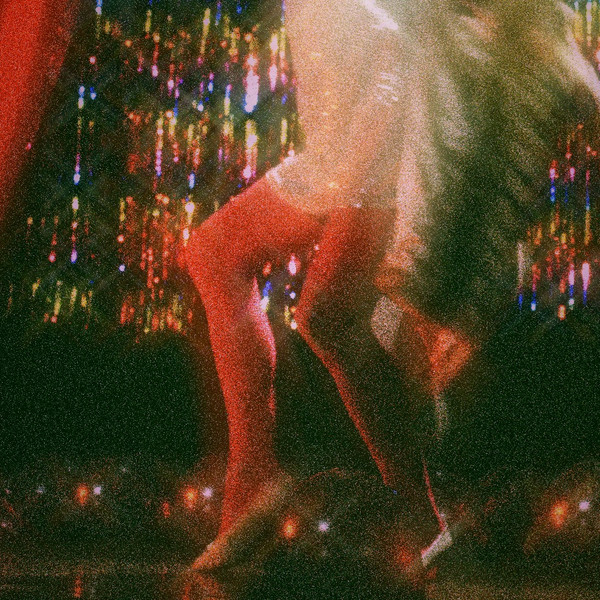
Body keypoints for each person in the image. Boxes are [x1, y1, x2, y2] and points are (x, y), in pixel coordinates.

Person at [185, 0, 600, 576]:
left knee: (228, 263)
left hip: (367, 147)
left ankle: (259, 478)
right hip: (367, 140)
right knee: (324, 315)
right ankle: (421, 519)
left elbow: (399, 45)